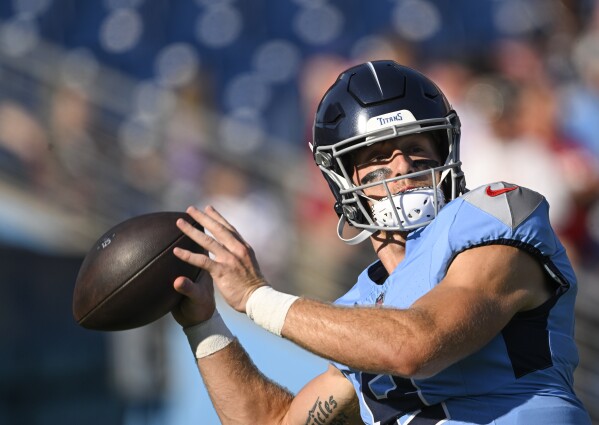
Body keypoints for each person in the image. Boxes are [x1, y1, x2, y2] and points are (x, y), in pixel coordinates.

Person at [169, 60, 591, 424]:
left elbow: (416, 345)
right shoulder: (362, 307)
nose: (402, 165)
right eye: (377, 156)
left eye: (414, 148)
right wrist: (203, 323)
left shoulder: (492, 222)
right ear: (342, 179)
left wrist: (257, 298)